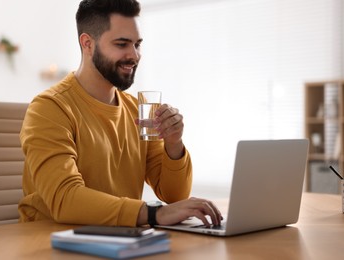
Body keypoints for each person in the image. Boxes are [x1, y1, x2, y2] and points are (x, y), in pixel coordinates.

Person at [19, 0, 222, 228]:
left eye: (137, 44)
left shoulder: (138, 110)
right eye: (122, 44)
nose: (134, 55)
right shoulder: (49, 108)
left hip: (119, 239)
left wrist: (174, 145)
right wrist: (154, 214)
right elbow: (64, 198)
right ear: (88, 44)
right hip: (50, 242)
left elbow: (175, 196)